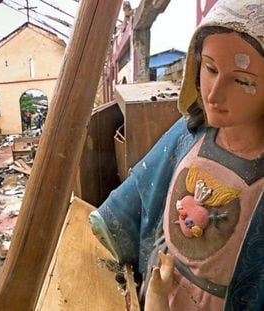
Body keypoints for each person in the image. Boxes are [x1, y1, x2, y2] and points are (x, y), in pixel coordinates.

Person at [89, 1, 264, 310]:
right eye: (210, 69)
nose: (213, 94)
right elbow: (140, 192)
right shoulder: (188, 134)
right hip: (162, 290)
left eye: (241, 80)